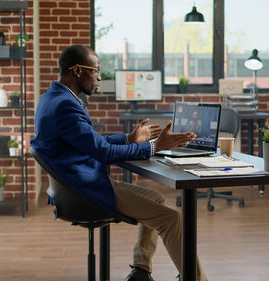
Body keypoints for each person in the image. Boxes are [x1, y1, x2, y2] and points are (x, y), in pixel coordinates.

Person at [31, 45, 208, 281]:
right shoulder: (66, 106)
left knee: (156, 198)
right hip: (84, 190)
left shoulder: (54, 97)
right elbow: (103, 152)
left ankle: (141, 271)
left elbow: (90, 142)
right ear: (76, 71)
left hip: (75, 184)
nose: (99, 77)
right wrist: (157, 146)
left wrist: (129, 138)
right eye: (95, 71)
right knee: (171, 218)